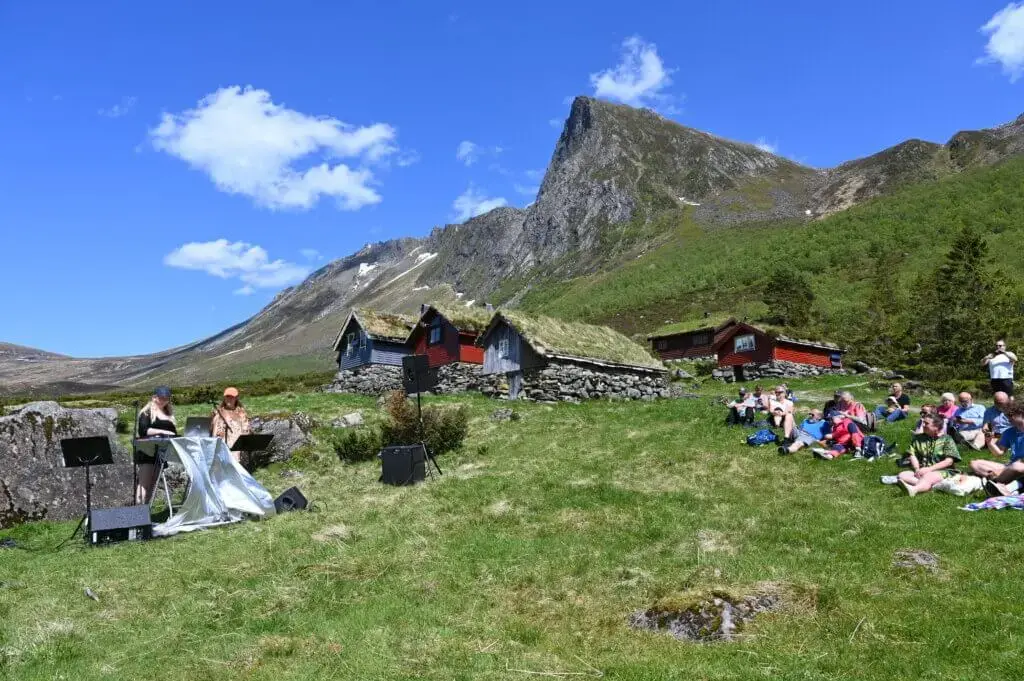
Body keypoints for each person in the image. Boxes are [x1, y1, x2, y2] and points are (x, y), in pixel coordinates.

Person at [894, 413, 961, 497]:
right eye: (923, 423)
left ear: (936, 426)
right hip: (922, 469)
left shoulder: (947, 439)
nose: (923, 425)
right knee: (902, 475)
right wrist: (917, 469)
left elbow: (949, 461)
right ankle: (931, 486)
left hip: (943, 470)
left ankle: (914, 490)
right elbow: (912, 454)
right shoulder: (918, 438)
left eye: (926, 423)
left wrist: (929, 469)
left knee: (928, 476)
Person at [968, 404, 1024, 496]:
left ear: (1021, 414)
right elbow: (999, 453)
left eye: (1011, 415)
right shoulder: (1009, 432)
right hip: (1010, 466)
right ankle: (999, 480)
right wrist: (990, 443)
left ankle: (994, 482)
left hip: (1020, 466)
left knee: (1017, 466)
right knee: (975, 463)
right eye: (1007, 415)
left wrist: (1003, 470)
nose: (1008, 418)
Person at [135, 386, 177, 504]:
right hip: (148, 452)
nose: (163, 400)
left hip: (161, 453)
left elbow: (173, 432)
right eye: (161, 398)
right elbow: (143, 430)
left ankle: (146, 512)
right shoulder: (146, 412)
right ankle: (138, 512)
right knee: (144, 485)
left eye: (166, 398)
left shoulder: (168, 413)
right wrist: (163, 432)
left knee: (152, 486)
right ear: (154, 397)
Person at [211, 386, 251, 460]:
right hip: (222, 442)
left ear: (236, 398)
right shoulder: (218, 412)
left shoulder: (241, 413)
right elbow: (213, 428)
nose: (229, 399)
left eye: (231, 397)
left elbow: (246, 429)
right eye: (227, 397)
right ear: (224, 398)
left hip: (237, 443)